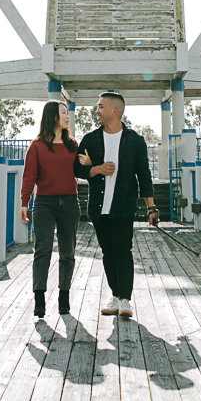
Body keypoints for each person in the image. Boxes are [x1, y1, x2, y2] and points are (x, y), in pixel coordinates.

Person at [76, 91, 158, 319]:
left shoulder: (135, 141)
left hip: (123, 206)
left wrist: (151, 208)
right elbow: (77, 169)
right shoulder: (90, 139)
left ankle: (125, 300)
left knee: (122, 250)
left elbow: (144, 176)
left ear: (115, 110)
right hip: (98, 208)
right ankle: (115, 296)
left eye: (101, 107)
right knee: (107, 252)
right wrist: (97, 168)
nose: (96, 111)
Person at [20, 99, 80, 317]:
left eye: (67, 113)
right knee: (42, 250)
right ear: (52, 116)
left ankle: (64, 296)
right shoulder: (36, 147)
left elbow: (83, 169)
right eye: (63, 112)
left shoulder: (73, 144)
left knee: (68, 252)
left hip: (70, 203)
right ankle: (39, 300)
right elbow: (29, 177)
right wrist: (24, 203)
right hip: (44, 204)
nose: (67, 116)